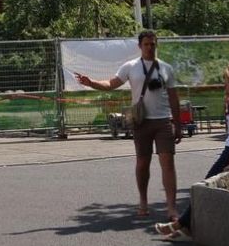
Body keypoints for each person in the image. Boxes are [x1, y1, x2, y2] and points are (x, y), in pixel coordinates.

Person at [75, 30, 182, 219]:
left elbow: (174, 97)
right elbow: (111, 83)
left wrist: (178, 123)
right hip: (141, 121)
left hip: (163, 121)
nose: (150, 47)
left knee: (168, 162)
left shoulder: (166, 68)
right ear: (139, 46)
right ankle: (143, 200)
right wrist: (91, 82)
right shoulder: (131, 67)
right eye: (147, 44)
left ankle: (171, 207)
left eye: (153, 44)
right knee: (143, 162)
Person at [156, 60, 229, 240]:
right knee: (207, 189)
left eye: (227, 80)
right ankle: (185, 227)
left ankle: (181, 224)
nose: (225, 84)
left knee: (205, 189)